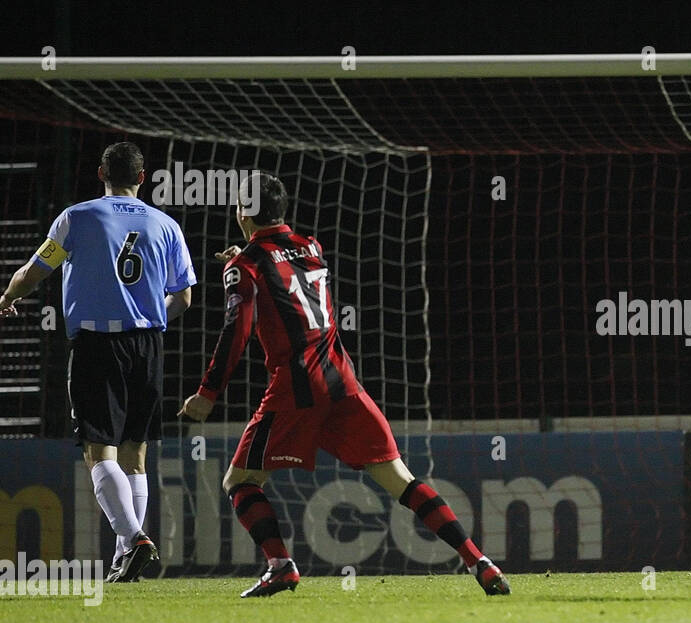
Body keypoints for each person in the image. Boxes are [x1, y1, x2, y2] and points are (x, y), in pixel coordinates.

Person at [179, 172, 509, 598]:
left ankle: (281, 565)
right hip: (344, 382)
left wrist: (207, 394)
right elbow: (281, 267)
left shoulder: (244, 267)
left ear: (242, 212)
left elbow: (235, 330)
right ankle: (478, 560)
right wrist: (244, 259)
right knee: (402, 482)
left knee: (239, 482)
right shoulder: (312, 247)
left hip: (296, 387)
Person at [0, 141, 194, 583]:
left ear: (101, 172)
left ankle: (133, 540)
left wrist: (9, 296)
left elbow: (36, 269)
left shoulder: (77, 217)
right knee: (136, 455)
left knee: (97, 451)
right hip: (147, 345)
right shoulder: (166, 224)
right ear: (142, 178)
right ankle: (125, 558)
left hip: (96, 344)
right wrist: (150, 318)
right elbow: (183, 297)